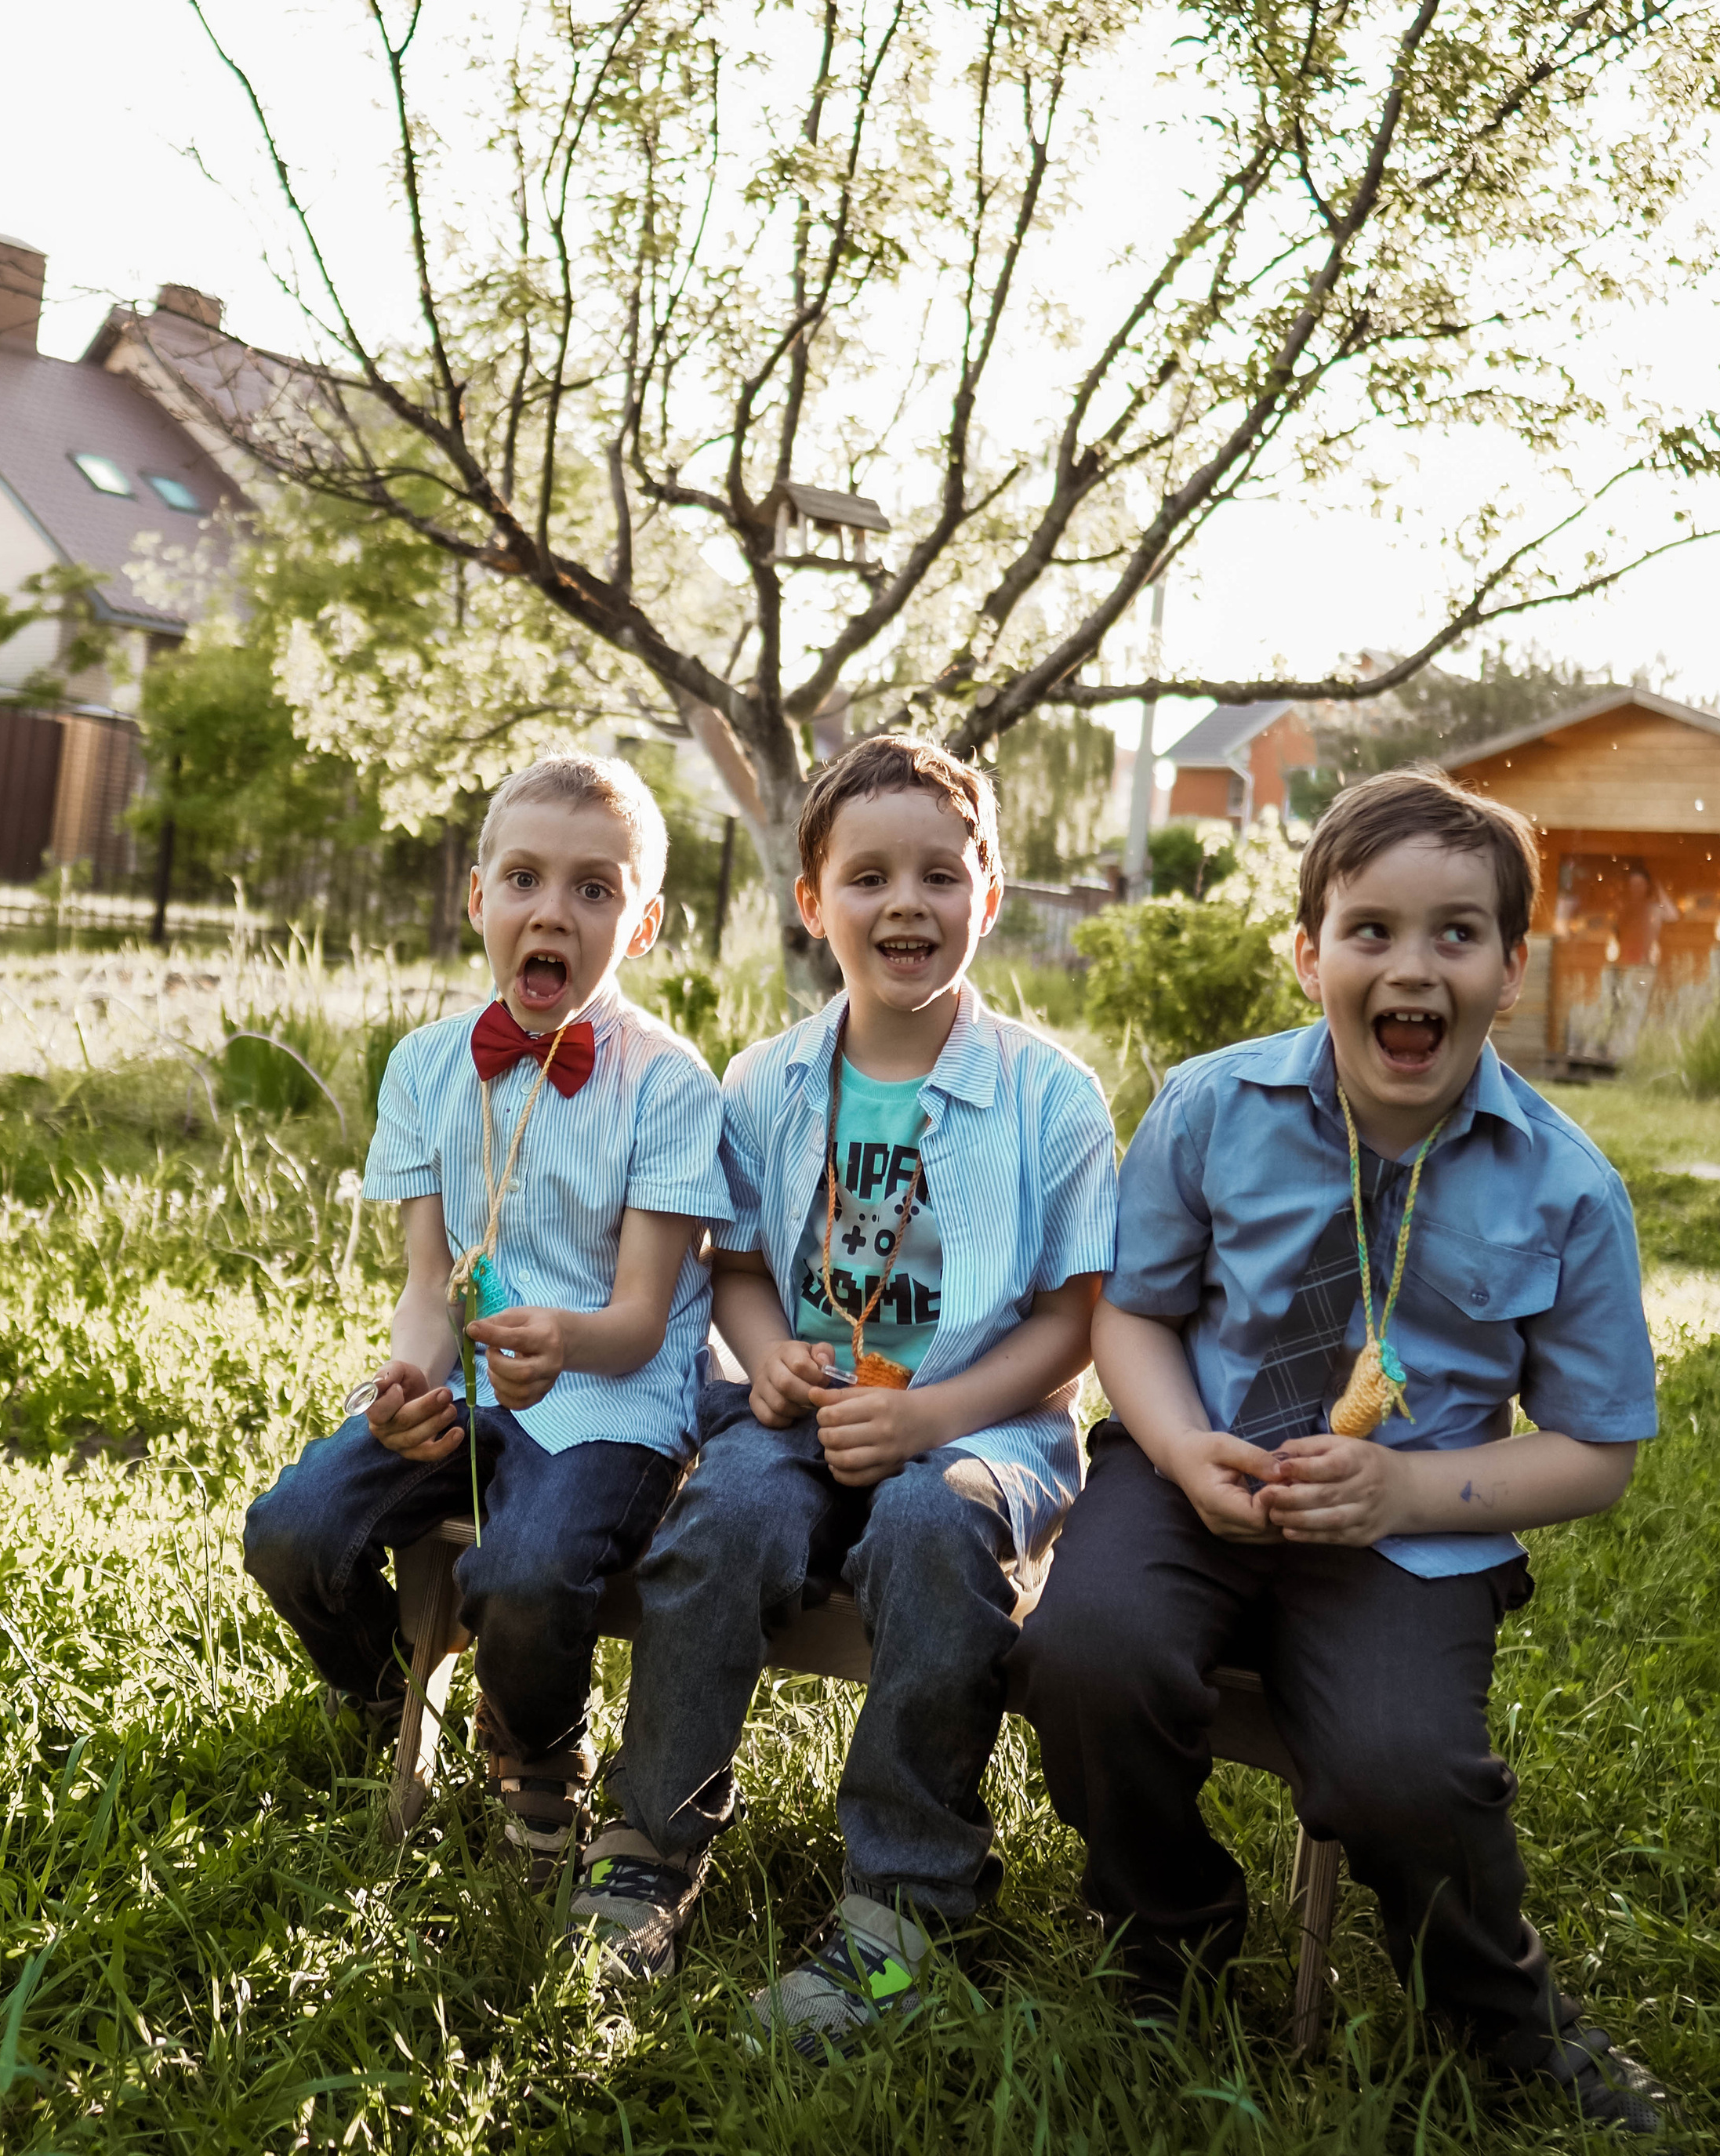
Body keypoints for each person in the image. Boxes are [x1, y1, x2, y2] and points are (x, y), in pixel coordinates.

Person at [1015, 767, 1672, 2138]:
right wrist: (1186, 1449)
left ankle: (1502, 2011)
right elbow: (1131, 1310)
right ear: (1309, 952)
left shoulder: (1565, 1187)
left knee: (1401, 1769)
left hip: (1404, 1531)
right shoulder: (1209, 1107)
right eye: (1371, 930)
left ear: (1508, 962)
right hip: (1193, 1473)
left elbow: (1600, 1449)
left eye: (1456, 932)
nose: (1410, 965)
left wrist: (1408, 1489)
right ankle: (1169, 1933)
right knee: (1086, 1653)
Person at [567, 735, 1118, 2053]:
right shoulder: (766, 1083)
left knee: (936, 1533)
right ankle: (651, 1833)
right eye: (867, 875)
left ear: (988, 895)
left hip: (984, 1427)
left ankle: (906, 1905)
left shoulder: (1049, 1096)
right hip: (802, 1418)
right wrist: (766, 1358)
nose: (906, 904)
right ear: (814, 902)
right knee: (724, 1526)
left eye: (940, 873)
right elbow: (741, 1269)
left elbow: (1076, 1319)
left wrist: (933, 1417)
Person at [242, 753, 728, 1883]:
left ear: (642, 924)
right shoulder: (423, 1066)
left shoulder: (667, 1084)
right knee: (295, 1526)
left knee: (529, 1565)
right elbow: (427, 1284)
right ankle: (382, 1685)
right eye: (524, 879)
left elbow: (647, 1318)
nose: (552, 910)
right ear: (477, 899)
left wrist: (565, 1345)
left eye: (594, 890)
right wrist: (405, 1384)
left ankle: (539, 1749)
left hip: (613, 1396)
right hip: (470, 1391)